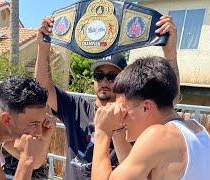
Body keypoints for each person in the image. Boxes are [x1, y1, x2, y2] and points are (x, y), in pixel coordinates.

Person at [36, 15, 180, 179]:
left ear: (124, 80)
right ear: (93, 81)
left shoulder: (135, 114)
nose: (104, 81)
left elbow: (169, 99)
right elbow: (43, 88)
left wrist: (170, 53)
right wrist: (43, 46)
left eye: (112, 76)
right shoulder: (76, 108)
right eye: (99, 75)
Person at [92, 56, 210, 180]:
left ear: (146, 107)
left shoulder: (158, 135)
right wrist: (117, 129)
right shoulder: (198, 131)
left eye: (124, 111)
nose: (121, 119)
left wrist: (102, 132)